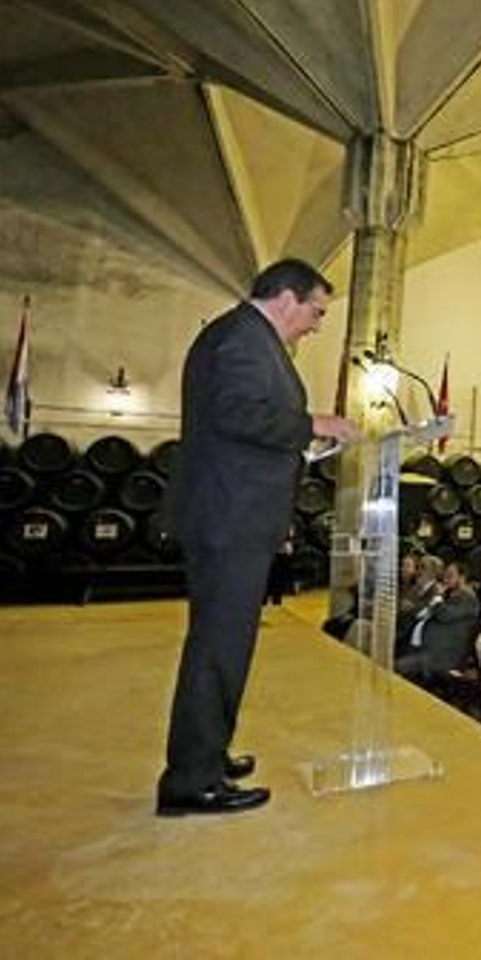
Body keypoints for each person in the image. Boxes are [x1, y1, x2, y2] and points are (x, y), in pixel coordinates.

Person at [156, 258, 356, 817]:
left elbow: (247, 423)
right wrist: (313, 424)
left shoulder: (245, 336)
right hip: (229, 518)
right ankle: (191, 780)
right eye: (317, 311)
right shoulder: (243, 339)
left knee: (223, 646)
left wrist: (302, 438)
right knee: (217, 649)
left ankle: (207, 755)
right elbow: (236, 412)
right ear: (287, 298)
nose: (317, 325)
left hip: (234, 515)